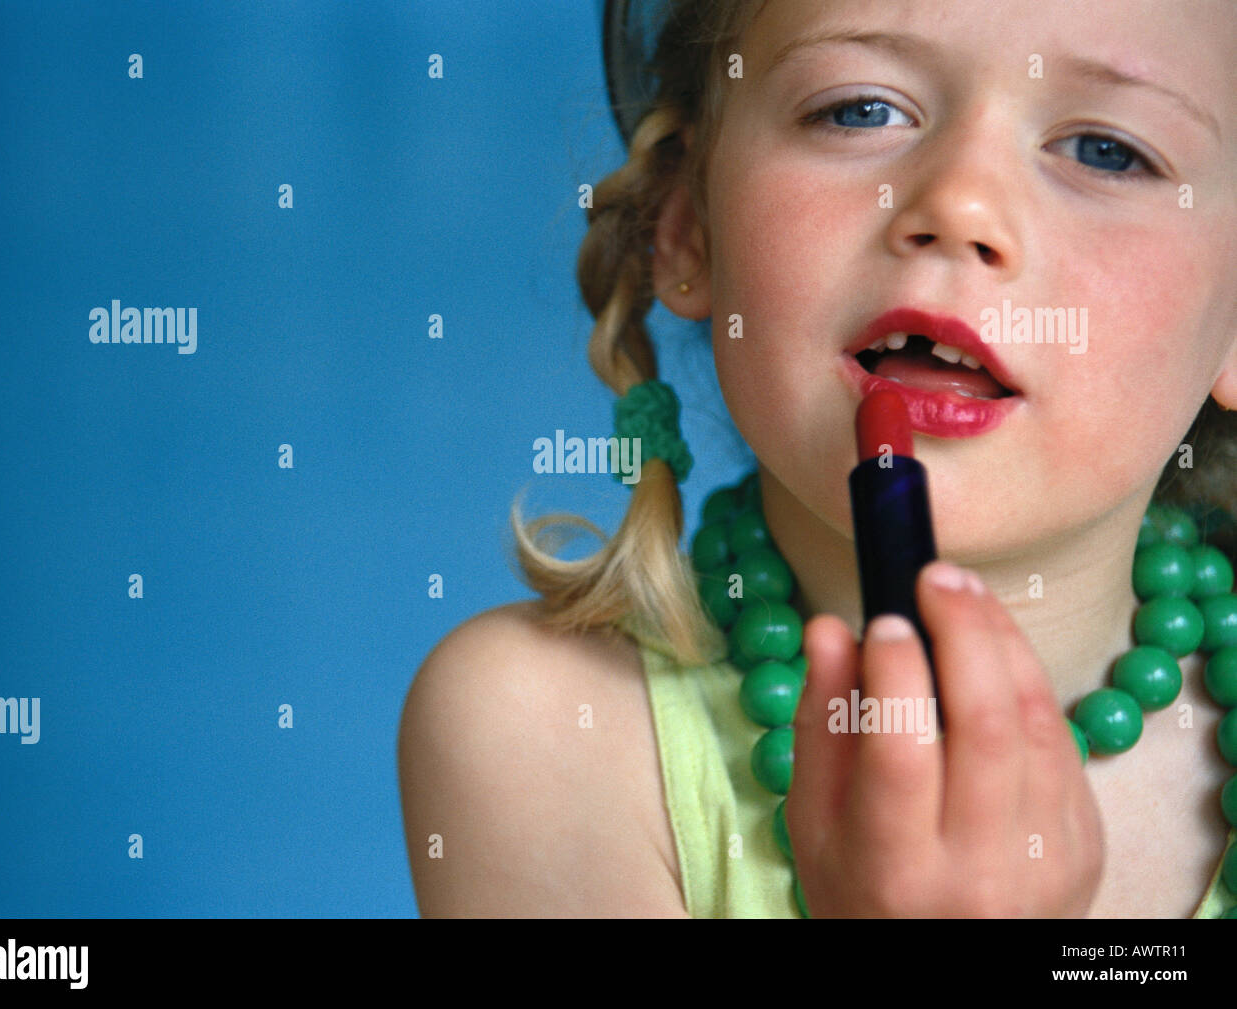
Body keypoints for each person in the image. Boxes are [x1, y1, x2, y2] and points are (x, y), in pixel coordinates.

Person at [398, 0, 1237, 917]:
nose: (959, 203)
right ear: (689, 226)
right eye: (859, 110)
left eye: (1107, 150)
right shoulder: (546, 732)